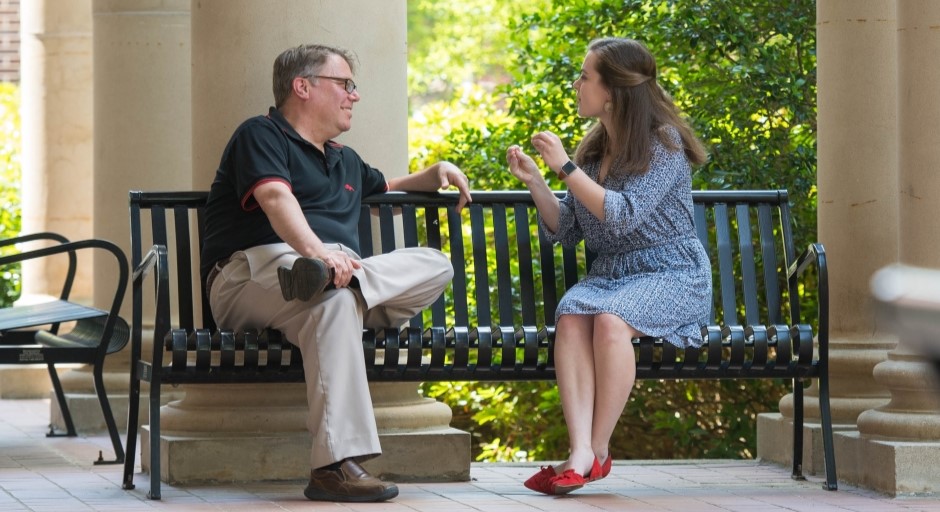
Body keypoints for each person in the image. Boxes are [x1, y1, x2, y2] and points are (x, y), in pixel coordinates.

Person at [200, 43, 471, 503]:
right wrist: (320, 253)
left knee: (432, 264)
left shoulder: (344, 159)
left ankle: (332, 468)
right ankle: (336, 464)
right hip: (254, 275)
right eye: (345, 84)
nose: (354, 95)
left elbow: (389, 185)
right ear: (302, 87)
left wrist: (436, 171)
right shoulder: (261, 135)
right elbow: (274, 198)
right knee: (330, 294)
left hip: (331, 279)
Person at [506, 37, 711, 495]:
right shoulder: (594, 153)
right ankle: (579, 451)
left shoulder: (664, 145)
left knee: (611, 323)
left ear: (613, 92)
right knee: (573, 314)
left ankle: (598, 450)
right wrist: (539, 181)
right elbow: (567, 230)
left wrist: (563, 169)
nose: (577, 84)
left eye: (585, 76)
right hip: (612, 277)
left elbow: (623, 213)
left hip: (671, 273)